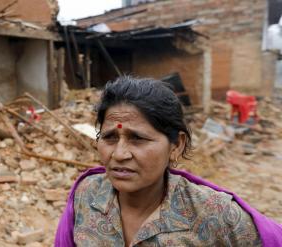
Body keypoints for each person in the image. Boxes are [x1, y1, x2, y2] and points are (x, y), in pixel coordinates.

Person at [55, 76, 282, 247]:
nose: (119, 154)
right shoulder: (86, 195)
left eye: (138, 138)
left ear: (176, 146)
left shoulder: (216, 214)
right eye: (109, 137)